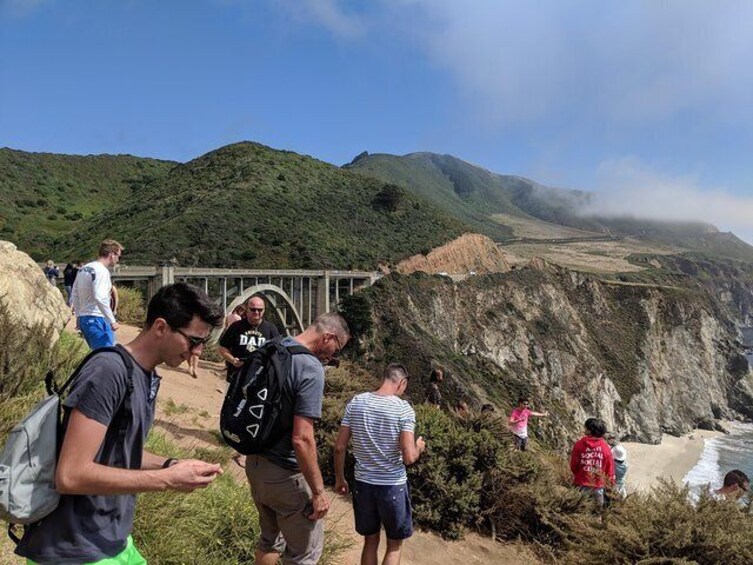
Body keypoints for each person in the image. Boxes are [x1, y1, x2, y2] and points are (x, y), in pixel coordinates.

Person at [15, 282, 225, 564]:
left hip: (112, 538)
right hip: (74, 548)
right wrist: (166, 481)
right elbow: (70, 475)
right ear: (161, 327)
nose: (197, 352)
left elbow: (117, 452)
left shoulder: (146, 376)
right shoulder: (108, 372)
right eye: (194, 341)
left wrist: (170, 464)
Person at [245, 313, 350, 565]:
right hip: (285, 475)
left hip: (255, 464)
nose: (333, 356)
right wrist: (317, 491)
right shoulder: (310, 367)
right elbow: (302, 438)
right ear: (328, 337)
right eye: (337, 348)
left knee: (269, 540)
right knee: (304, 555)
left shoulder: (273, 346)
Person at [334, 363, 425, 565]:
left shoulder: (356, 402)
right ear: (402, 382)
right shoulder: (403, 409)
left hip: (363, 484)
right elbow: (409, 457)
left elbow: (339, 447)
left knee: (370, 540)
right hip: (392, 485)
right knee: (394, 544)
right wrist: (418, 447)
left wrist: (340, 478)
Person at [71, 239, 123, 349]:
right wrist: (112, 320)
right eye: (118, 256)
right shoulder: (102, 271)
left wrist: (79, 316)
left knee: (98, 354)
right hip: (97, 319)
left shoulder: (83, 269)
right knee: (106, 356)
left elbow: (75, 293)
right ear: (112, 254)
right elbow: (100, 297)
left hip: (85, 319)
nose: (118, 259)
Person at [218, 295, 280, 383]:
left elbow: (277, 352)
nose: (256, 312)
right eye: (253, 309)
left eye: (260, 309)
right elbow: (223, 348)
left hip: (261, 379)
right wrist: (232, 360)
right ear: (247, 309)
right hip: (236, 377)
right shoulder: (236, 327)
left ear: (264, 310)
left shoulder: (271, 329)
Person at [570, 417, 615, 507]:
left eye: (586, 428)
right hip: (598, 485)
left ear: (590, 431)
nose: (584, 430)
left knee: (579, 511)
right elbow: (609, 468)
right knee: (597, 512)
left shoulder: (579, 444)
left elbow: (574, 464)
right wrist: (610, 483)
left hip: (581, 482)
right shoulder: (605, 447)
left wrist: (578, 474)